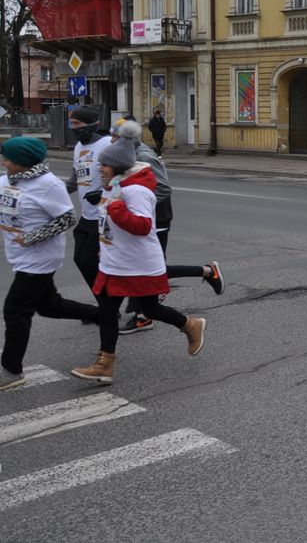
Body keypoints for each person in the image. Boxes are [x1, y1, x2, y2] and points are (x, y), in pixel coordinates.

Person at [71, 137, 206, 384]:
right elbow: (108, 225)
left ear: (119, 167)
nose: (100, 169)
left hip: (137, 264)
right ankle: (104, 364)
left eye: (105, 165)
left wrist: (116, 210)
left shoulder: (136, 191)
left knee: (150, 308)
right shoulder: (113, 186)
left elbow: (143, 226)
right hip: (115, 262)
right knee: (108, 311)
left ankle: (190, 324)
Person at [0, 137, 100, 390]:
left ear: (23, 161)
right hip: (18, 255)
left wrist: (32, 237)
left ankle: (11, 371)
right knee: (49, 306)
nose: (4, 162)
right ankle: (102, 315)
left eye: (8, 159)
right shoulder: (6, 181)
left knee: (15, 311)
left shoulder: (48, 185)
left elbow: (67, 219)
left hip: (40, 258)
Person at [113, 118, 223, 335]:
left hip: (156, 219)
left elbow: (163, 189)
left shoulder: (143, 156)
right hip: (141, 220)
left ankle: (206, 273)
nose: (111, 139)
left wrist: (139, 204)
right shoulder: (126, 156)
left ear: (126, 137)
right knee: (143, 268)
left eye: (115, 136)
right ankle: (140, 310)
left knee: (151, 269)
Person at [65, 105, 112, 290]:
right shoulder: (78, 147)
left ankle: (108, 303)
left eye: (78, 123)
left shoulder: (107, 144)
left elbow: (123, 176)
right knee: (80, 260)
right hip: (87, 215)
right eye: (72, 123)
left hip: (104, 215)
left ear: (93, 124)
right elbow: (75, 179)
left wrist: (103, 193)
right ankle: (106, 300)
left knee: (89, 261)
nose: (74, 127)